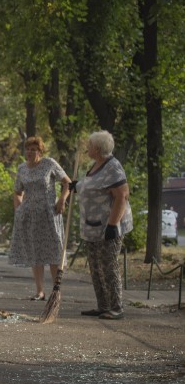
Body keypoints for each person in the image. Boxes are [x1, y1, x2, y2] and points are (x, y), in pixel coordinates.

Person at [74, 130, 132, 320]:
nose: (87, 148)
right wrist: (76, 186)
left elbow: (122, 195)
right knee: (95, 266)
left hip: (108, 225)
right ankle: (103, 305)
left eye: (89, 145)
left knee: (108, 266)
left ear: (97, 148)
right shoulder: (95, 165)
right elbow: (92, 186)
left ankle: (116, 307)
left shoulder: (113, 167)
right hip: (91, 226)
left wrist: (113, 224)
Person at [7, 136, 71, 301]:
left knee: (54, 251)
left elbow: (67, 183)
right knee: (36, 253)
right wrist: (19, 210)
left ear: (40, 151)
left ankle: (56, 291)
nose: (29, 152)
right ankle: (40, 291)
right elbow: (17, 192)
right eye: (27, 149)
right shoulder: (22, 168)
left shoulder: (49, 164)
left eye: (33, 149)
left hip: (49, 214)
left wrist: (62, 200)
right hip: (30, 217)